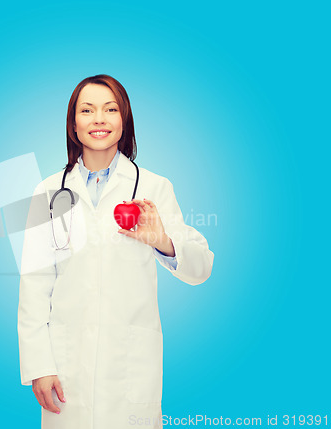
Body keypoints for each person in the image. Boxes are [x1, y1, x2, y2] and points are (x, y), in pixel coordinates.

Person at [17, 74, 214, 429]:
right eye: (87, 110)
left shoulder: (154, 188)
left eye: (110, 109)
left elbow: (201, 268)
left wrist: (162, 241)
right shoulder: (49, 192)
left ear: (124, 121)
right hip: (66, 368)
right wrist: (39, 367)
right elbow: (33, 286)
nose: (99, 119)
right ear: (73, 124)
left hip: (130, 366)